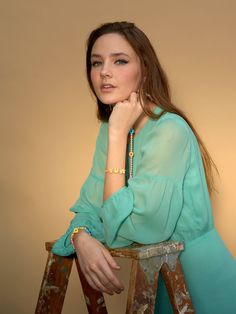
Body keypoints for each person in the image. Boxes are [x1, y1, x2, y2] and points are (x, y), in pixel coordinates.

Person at [52, 21, 236, 313]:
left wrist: (117, 136)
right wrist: (81, 238)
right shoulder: (110, 129)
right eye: (96, 62)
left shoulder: (169, 130)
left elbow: (138, 229)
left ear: (145, 69)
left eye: (120, 61)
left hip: (201, 285)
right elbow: (89, 208)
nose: (104, 72)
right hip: (158, 281)